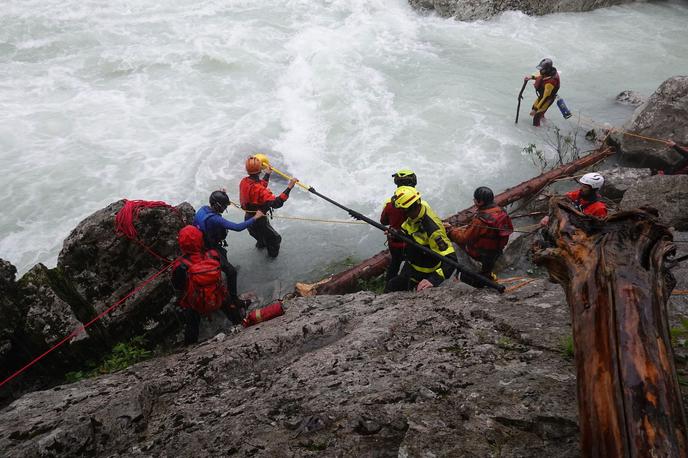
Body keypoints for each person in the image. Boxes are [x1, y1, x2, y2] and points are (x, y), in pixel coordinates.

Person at [171, 225, 243, 344]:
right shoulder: (213, 255)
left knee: (191, 320)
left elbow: (178, 288)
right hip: (217, 296)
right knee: (228, 304)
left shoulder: (180, 266)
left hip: (195, 303)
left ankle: (190, 347)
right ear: (200, 239)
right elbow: (230, 271)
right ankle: (241, 323)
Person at [193, 190, 265, 309]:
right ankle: (234, 300)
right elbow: (237, 227)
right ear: (218, 206)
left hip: (203, 243)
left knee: (223, 254)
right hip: (209, 248)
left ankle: (224, 272)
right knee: (232, 272)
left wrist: (220, 195)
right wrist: (255, 218)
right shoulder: (215, 219)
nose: (225, 208)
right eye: (224, 206)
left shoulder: (203, 209)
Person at [384, 186, 457, 293]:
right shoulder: (417, 212)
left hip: (423, 272)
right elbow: (413, 233)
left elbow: (451, 259)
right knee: (393, 285)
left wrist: (433, 280)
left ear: (409, 209)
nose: (401, 213)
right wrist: (397, 234)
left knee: (392, 287)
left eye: (402, 210)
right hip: (411, 265)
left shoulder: (433, 230)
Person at [446, 187, 513, 286]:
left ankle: (462, 276)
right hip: (496, 252)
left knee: (456, 237)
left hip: (481, 254)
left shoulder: (480, 221)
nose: (473, 201)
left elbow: (463, 238)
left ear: (480, 202)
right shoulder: (501, 211)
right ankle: (487, 273)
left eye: (475, 199)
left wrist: (451, 230)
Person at [239, 156, 298, 258]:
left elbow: (258, 186)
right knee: (275, 239)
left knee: (261, 239)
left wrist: (267, 174)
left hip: (249, 219)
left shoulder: (244, 181)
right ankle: (271, 259)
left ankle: (261, 245)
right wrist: (289, 187)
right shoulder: (260, 189)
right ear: (259, 170)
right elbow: (277, 203)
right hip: (259, 221)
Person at [380, 169, 417, 283]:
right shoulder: (417, 200)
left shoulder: (389, 203)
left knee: (395, 263)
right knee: (412, 263)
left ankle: (389, 285)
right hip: (412, 242)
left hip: (394, 243)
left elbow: (383, 221)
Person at [524, 58, 560, 127]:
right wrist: (531, 77)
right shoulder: (549, 73)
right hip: (544, 96)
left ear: (547, 69)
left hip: (547, 99)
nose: (540, 70)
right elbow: (541, 77)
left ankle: (537, 131)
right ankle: (544, 120)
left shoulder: (550, 82)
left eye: (542, 69)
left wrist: (535, 110)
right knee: (537, 109)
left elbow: (545, 97)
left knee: (536, 117)